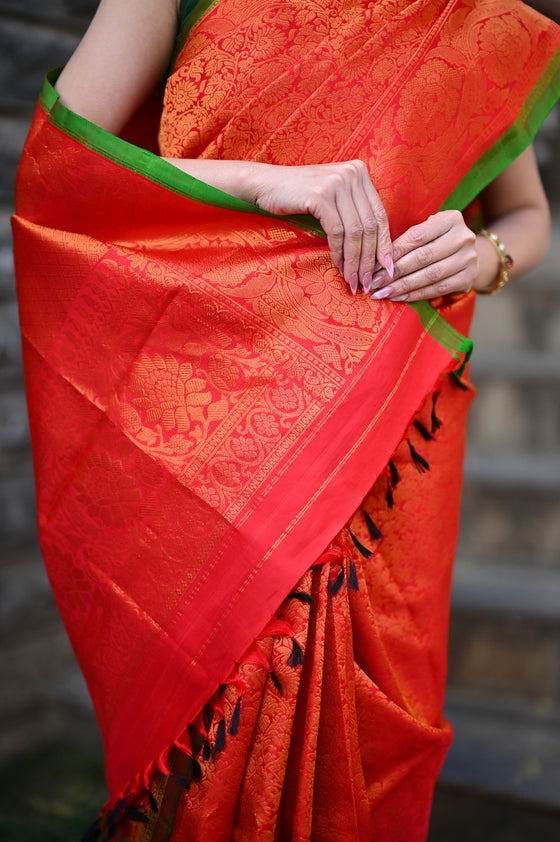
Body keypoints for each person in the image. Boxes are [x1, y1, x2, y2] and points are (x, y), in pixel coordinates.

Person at [12, 1, 559, 840]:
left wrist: (486, 256)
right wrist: (266, 180)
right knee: (226, 717)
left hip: (389, 443)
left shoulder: (467, 11)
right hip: (212, 420)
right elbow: (65, 170)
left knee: (373, 741)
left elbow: (527, 216)